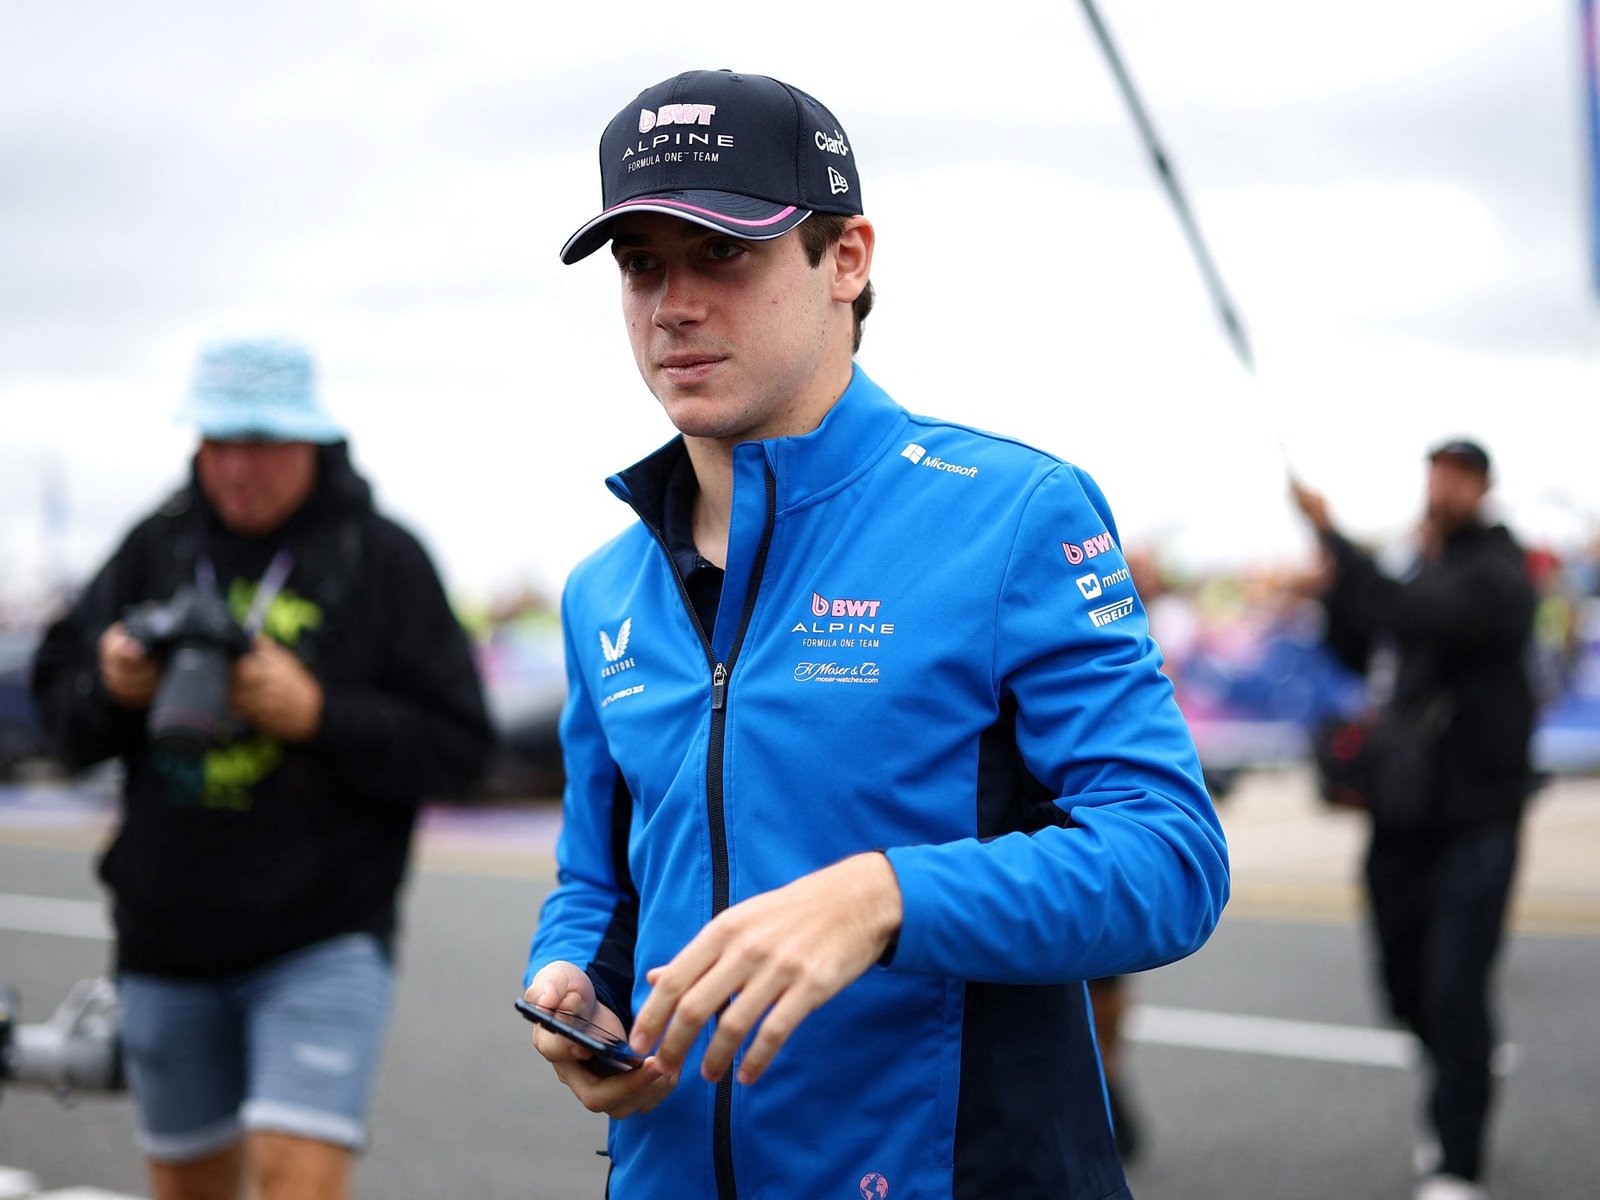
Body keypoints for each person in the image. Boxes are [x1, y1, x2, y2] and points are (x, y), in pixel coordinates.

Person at [520, 69, 1229, 1200]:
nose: (674, 306)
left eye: (723, 255)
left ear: (846, 258)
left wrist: (883, 897)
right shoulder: (604, 588)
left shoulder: (1009, 513)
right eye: (642, 266)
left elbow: (1171, 860)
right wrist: (570, 980)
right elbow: (595, 880)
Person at [30, 336, 494, 1200]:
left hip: (322, 936)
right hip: (165, 936)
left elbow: (462, 751)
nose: (237, 467)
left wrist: (320, 714)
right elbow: (62, 725)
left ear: (312, 442)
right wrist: (111, 685)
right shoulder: (154, 546)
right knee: (189, 1186)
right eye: (218, 443)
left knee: (298, 1181)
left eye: (262, 442)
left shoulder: (382, 556)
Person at [1290, 439, 1536, 1200]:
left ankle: (1457, 1158)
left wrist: (1333, 533)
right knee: (1407, 986)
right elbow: (1361, 641)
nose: (1443, 487)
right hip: (1401, 817)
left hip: (1478, 818)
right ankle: (1450, 1082)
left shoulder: (1499, 573)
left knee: (1458, 987)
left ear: (1482, 487)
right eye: (1436, 473)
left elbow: (1420, 615)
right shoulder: (1417, 567)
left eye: (1459, 476)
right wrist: (1335, 582)